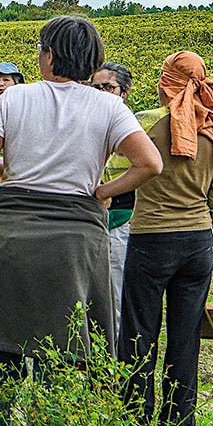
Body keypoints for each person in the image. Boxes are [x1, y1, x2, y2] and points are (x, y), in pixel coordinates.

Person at [0, 17, 162, 426]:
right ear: (91, 60)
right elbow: (149, 164)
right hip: (73, 243)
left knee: (2, 359)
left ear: (48, 56)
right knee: (58, 361)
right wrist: (103, 190)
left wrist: (11, 164)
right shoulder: (110, 107)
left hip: (11, 237)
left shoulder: (16, 99)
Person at [118, 51, 213, 426]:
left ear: (166, 82)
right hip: (197, 245)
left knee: (139, 333)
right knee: (186, 337)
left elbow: (108, 170)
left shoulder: (143, 124)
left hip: (150, 240)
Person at [92, 63, 136, 339]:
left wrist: (103, 191)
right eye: (95, 88)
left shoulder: (132, 127)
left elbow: (145, 169)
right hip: (85, 221)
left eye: (107, 87)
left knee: (115, 292)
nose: (100, 93)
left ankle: (113, 358)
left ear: (124, 93)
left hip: (119, 219)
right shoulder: (84, 122)